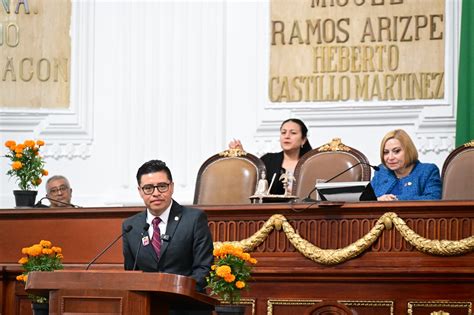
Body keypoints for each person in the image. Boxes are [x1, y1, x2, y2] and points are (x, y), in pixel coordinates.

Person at [122, 160, 213, 315]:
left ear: (171, 187)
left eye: (162, 186)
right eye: (148, 188)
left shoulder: (194, 219)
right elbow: (132, 273)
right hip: (147, 308)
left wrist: (176, 294)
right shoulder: (131, 226)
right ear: (140, 191)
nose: (156, 193)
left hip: (187, 308)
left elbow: (204, 268)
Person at [229, 118, 312, 195]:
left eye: (293, 133)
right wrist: (243, 156)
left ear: (303, 140)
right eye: (283, 132)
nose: (287, 136)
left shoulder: (310, 163)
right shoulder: (268, 160)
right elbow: (252, 180)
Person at [370, 129, 442, 201]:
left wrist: (396, 199)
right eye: (386, 152)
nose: (390, 157)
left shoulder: (428, 171)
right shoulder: (381, 171)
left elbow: (433, 199)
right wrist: (378, 200)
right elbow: (365, 199)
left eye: (396, 151)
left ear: (408, 151)